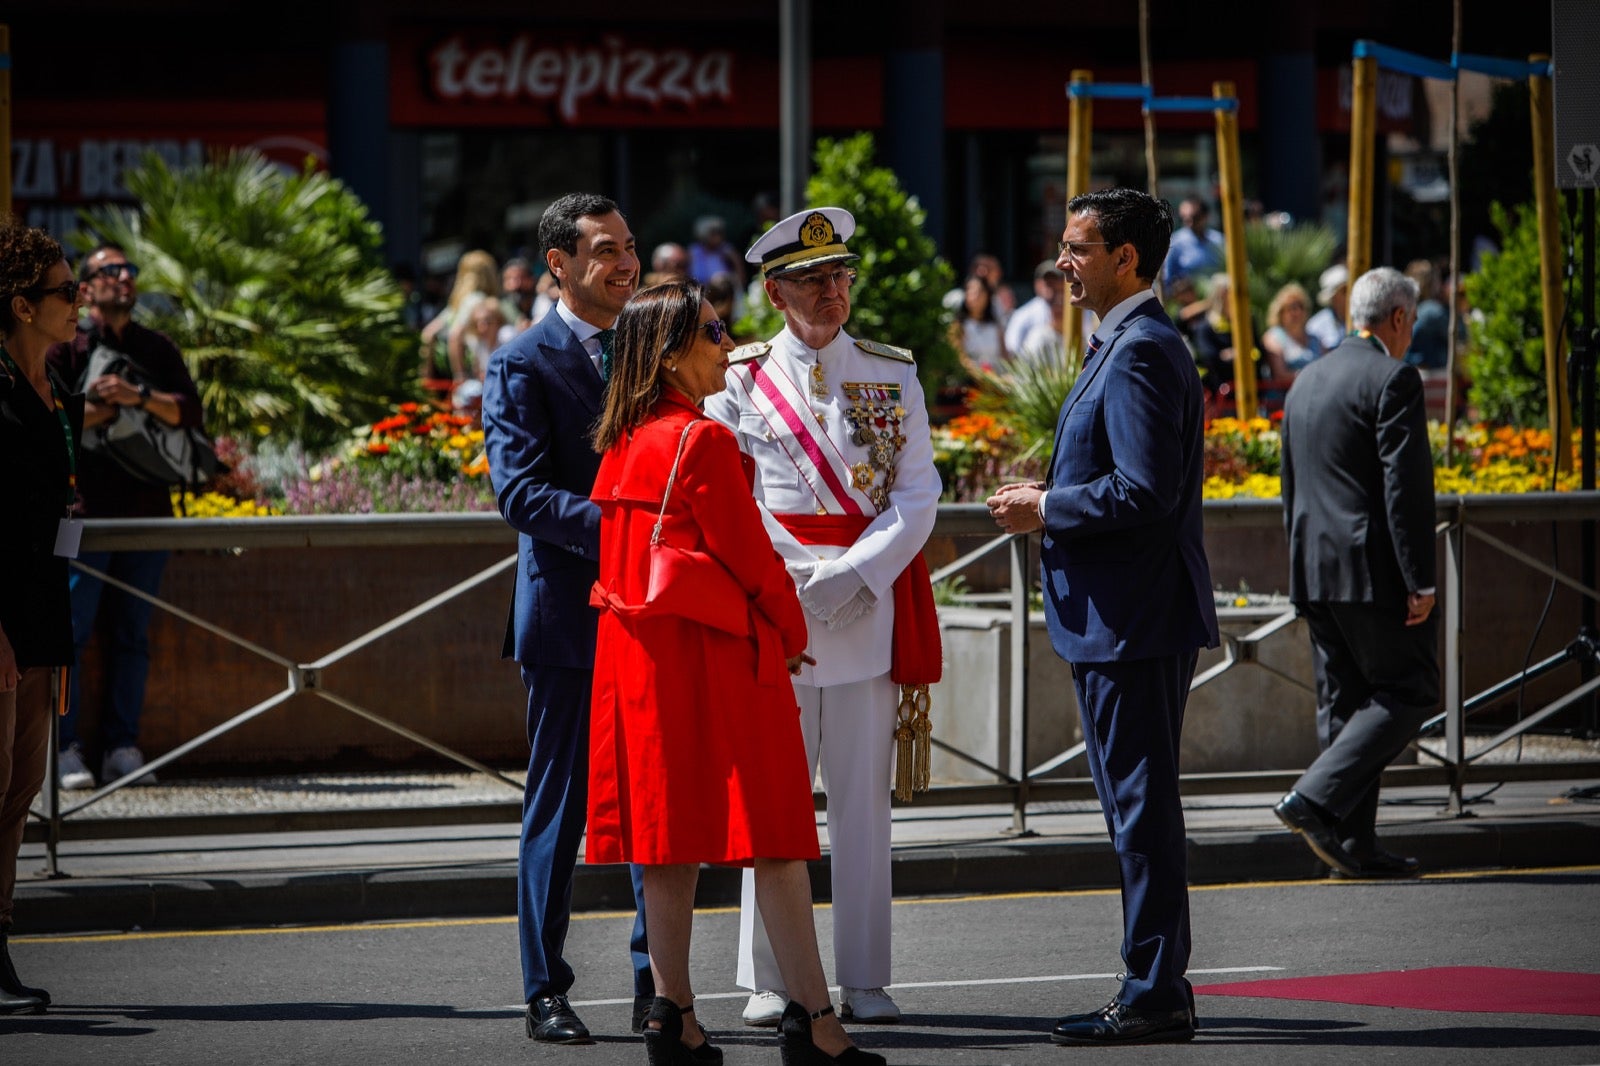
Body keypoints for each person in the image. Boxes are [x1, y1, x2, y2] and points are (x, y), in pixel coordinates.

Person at [587, 279, 885, 1066]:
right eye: (714, 332)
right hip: (714, 657)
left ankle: (672, 1010)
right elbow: (752, 561)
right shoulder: (702, 440)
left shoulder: (622, 437)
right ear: (671, 352)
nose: (729, 343)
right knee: (778, 837)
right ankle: (817, 1023)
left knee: (665, 840)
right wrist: (790, 632)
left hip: (639, 659)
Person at [986, 188, 1218, 1046]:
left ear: (1127, 258)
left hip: (1132, 619)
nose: (1062, 262)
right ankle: (1156, 982)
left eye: (1079, 248)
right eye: (1063, 245)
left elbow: (1144, 491)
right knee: (1137, 805)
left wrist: (1047, 504)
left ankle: (1156, 989)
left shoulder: (1142, 350)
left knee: (1141, 808)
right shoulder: (1125, 341)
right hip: (1124, 616)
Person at [704, 207, 942, 1029]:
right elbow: (729, 497)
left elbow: (918, 495)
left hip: (865, 611)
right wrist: (799, 581)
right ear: (774, 293)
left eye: (841, 276)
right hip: (774, 611)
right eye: (812, 280)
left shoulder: (892, 372)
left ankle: (866, 976)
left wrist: (847, 577)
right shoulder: (735, 379)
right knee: (772, 803)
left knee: (863, 808)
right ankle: (770, 978)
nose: (833, 291)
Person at [481, 192, 653, 1045]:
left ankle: (658, 981)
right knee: (560, 808)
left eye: (629, 246)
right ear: (558, 263)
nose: (625, 262)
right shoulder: (521, 361)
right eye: (605, 250)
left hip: (656, 614)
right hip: (570, 620)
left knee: (657, 805)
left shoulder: (653, 347)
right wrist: (628, 527)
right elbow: (518, 493)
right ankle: (544, 988)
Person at [1273, 265, 1437, 881]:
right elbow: (1406, 489)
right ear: (1396, 319)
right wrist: (1420, 578)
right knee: (1409, 691)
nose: (1411, 332)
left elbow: (1291, 488)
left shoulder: (1306, 380)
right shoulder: (1394, 377)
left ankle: (1352, 844)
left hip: (1313, 568)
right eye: (1412, 321)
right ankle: (1313, 799)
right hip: (1371, 572)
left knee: (1345, 705)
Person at [46, 244, 207, 791]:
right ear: (85, 288)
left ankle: (121, 746)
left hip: (148, 514)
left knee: (133, 635)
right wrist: (109, 405)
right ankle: (64, 749)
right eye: (109, 271)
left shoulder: (154, 347)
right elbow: (53, 418)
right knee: (71, 633)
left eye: (129, 270)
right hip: (84, 516)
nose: (123, 278)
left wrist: (136, 395)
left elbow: (188, 411)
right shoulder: (63, 348)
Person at [0, 217, 84, 1015]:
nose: (78, 300)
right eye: (65, 290)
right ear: (23, 306)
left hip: (42, 614)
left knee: (20, 792)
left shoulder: (59, 390)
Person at [419, 248, 498, 387]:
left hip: (444, 373)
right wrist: (460, 376)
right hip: (471, 374)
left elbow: (428, 334)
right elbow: (455, 335)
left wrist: (427, 376)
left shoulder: (457, 302)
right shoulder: (477, 300)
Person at [1259, 282, 1322, 380]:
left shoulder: (1315, 339)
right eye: (1292, 307)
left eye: (1300, 306)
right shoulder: (1273, 337)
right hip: (1285, 393)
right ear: (1280, 312)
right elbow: (1280, 375)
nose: (1297, 312)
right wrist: (1312, 377)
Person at [1161, 196, 1225, 290]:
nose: (1189, 222)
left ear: (1205, 216)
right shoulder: (1175, 243)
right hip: (1188, 302)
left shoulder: (1219, 240)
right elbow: (1166, 281)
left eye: (1194, 217)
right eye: (1184, 218)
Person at [1004, 260, 1065, 356]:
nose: (1052, 286)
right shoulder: (1023, 314)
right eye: (1048, 282)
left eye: (1056, 280)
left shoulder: (1076, 310)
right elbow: (1012, 350)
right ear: (1037, 284)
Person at [950, 273, 1007, 371]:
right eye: (971, 292)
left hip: (996, 379)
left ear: (987, 295)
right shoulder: (958, 326)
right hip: (969, 381)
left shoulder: (995, 326)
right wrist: (981, 374)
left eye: (979, 292)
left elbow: (1004, 357)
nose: (975, 296)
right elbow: (960, 358)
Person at [1307, 263, 1350, 352]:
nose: (1350, 294)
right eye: (1344, 290)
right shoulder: (1316, 326)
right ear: (1333, 297)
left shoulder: (1361, 320)